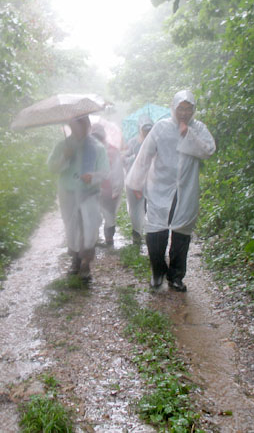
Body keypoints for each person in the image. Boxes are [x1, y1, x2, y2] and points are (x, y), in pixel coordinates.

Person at [125, 90, 216, 292]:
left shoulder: (199, 128)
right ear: (173, 108)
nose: (184, 113)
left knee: (181, 233)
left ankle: (176, 276)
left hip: (186, 189)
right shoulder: (161, 128)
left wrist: (188, 134)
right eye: (180, 108)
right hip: (159, 187)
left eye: (188, 109)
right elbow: (144, 156)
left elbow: (208, 151)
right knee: (156, 231)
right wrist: (136, 184)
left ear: (193, 110)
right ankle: (158, 273)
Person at [47, 115, 109, 281]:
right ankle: (75, 259)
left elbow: (104, 172)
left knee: (89, 226)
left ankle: (86, 263)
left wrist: (93, 176)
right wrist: (64, 157)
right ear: (70, 125)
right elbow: (51, 167)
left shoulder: (97, 147)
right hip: (68, 192)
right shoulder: (63, 145)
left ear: (88, 125)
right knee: (72, 225)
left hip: (90, 193)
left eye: (83, 123)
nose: (79, 127)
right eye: (76, 123)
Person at [91, 123, 125, 246]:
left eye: (98, 137)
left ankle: (109, 237)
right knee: (93, 216)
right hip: (92, 190)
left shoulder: (112, 151)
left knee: (110, 217)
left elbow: (118, 171)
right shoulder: (87, 151)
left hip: (108, 190)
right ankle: (93, 238)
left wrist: (117, 188)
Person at [123, 116, 153, 245]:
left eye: (149, 129)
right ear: (139, 129)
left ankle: (149, 231)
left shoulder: (155, 142)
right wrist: (135, 158)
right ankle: (136, 232)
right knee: (135, 207)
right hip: (134, 180)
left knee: (148, 206)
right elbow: (124, 159)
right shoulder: (132, 143)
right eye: (144, 129)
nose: (146, 132)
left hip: (150, 180)